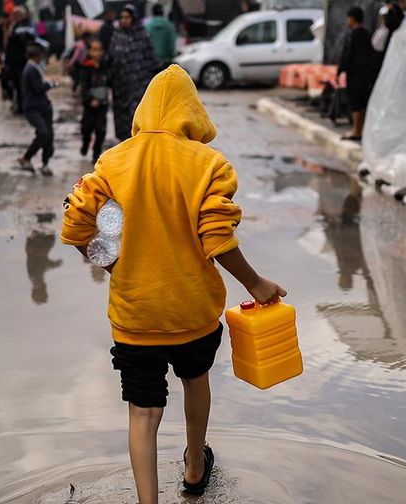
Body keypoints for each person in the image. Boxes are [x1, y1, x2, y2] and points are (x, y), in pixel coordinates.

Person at [60, 65, 287, 504]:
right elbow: (217, 238)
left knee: (143, 412)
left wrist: (112, 266)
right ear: (192, 113)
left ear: (144, 111)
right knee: (195, 380)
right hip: (193, 312)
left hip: (135, 313)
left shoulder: (113, 160)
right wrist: (255, 283)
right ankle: (195, 467)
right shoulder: (209, 165)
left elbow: (75, 225)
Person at [108, 4, 158, 141]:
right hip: (120, 88)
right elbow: (111, 58)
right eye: (122, 17)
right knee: (122, 123)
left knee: (136, 118)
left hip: (139, 86)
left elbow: (151, 60)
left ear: (134, 18)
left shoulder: (142, 36)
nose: (124, 20)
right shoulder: (117, 36)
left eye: (127, 17)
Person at [17, 42, 60, 176]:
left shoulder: (33, 68)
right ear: (39, 56)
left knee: (48, 135)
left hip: (42, 107)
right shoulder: (31, 69)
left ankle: (45, 164)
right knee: (43, 133)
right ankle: (26, 157)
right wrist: (51, 84)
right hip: (33, 108)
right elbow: (39, 88)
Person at [337, 7, 374, 141]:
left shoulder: (353, 35)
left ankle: (356, 131)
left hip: (355, 74)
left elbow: (347, 55)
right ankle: (360, 130)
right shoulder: (366, 33)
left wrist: (340, 70)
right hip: (366, 73)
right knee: (362, 102)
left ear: (352, 18)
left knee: (355, 103)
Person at [79, 39, 110, 163]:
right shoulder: (86, 68)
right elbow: (84, 87)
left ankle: (95, 154)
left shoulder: (106, 67)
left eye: (99, 50)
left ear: (102, 52)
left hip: (102, 105)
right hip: (90, 106)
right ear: (90, 51)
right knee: (86, 129)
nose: (96, 53)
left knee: (100, 131)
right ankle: (85, 143)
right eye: (94, 50)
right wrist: (89, 100)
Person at [6, 6, 36, 114]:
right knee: (16, 84)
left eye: (16, 14)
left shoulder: (25, 26)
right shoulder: (15, 25)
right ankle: (20, 105)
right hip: (14, 61)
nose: (14, 16)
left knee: (22, 84)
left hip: (22, 61)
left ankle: (24, 106)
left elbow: (28, 40)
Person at [145, 3, 177, 69]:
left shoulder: (147, 26)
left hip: (151, 62)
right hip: (166, 61)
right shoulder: (169, 26)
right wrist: (171, 56)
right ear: (163, 12)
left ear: (153, 12)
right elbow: (171, 44)